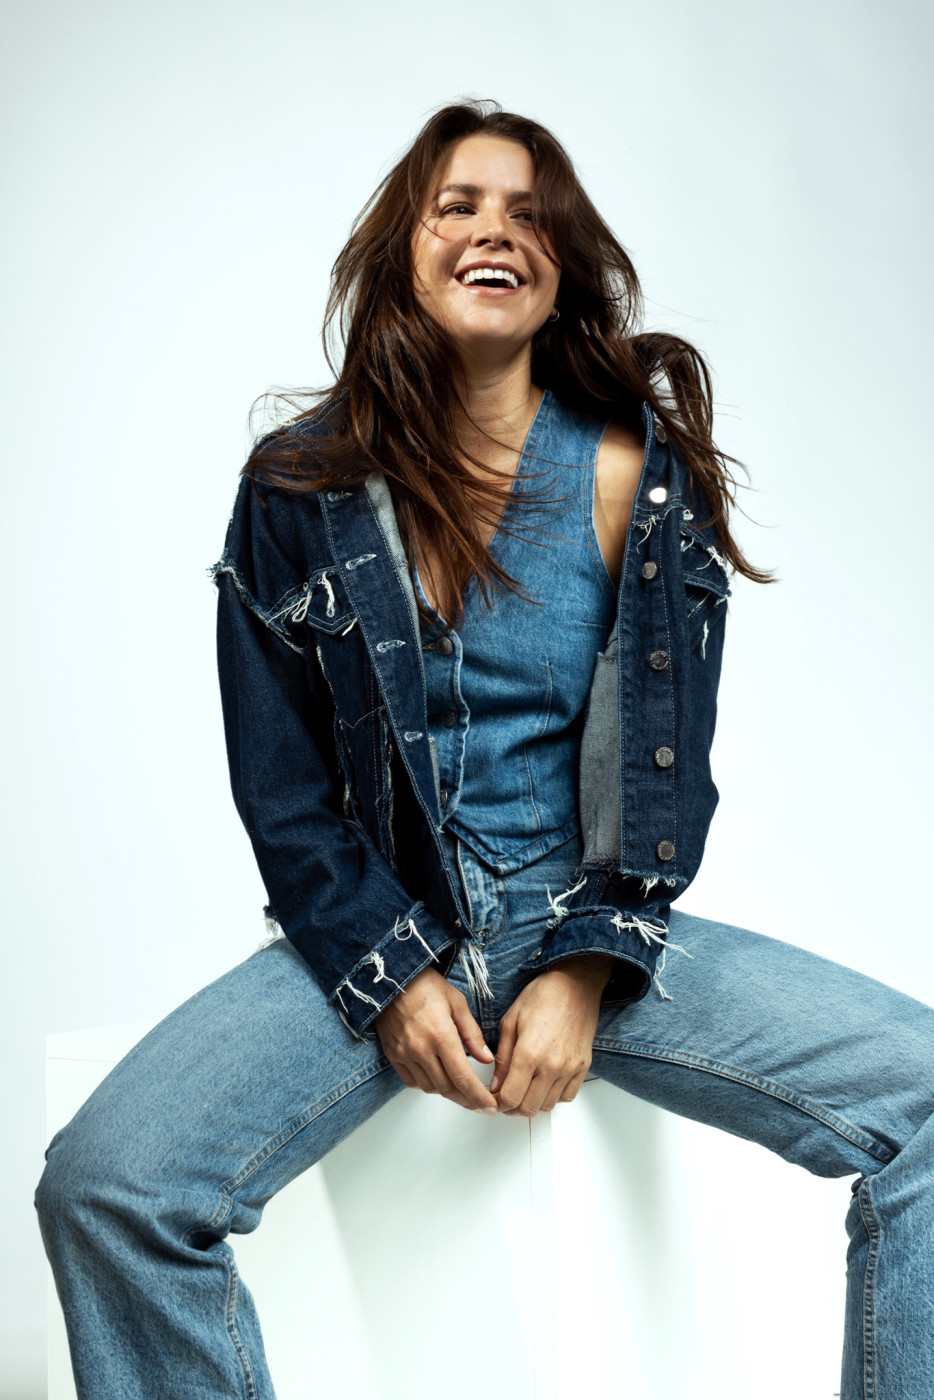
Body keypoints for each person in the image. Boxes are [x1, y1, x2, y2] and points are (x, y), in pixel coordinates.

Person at [36, 99, 934, 1400]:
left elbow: (661, 769)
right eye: (456, 206)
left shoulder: (635, 472)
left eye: (527, 213)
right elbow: (283, 789)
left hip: (585, 926)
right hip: (383, 930)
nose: (492, 231)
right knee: (108, 1183)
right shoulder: (300, 484)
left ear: (562, 263)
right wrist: (389, 974)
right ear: (404, 248)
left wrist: (586, 968)